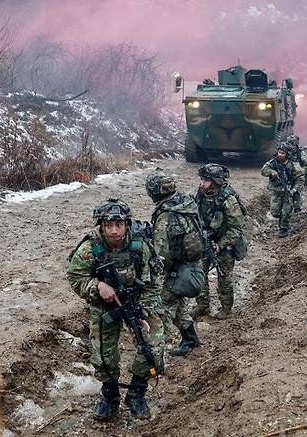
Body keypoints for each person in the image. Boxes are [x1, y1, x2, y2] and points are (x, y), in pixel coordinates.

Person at [67, 199, 165, 421]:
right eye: (109, 226)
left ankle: (136, 393)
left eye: (119, 225)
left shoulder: (140, 246)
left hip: (137, 303)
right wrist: (97, 286)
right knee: (102, 355)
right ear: (101, 225)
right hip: (103, 306)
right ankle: (110, 396)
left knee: (153, 348)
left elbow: (153, 282)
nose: (114, 231)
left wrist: (143, 312)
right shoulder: (90, 247)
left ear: (126, 224)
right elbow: (75, 277)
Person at [145, 169, 204, 356]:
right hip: (190, 264)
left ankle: (155, 357)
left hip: (177, 270)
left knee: (160, 311)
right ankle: (190, 339)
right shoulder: (185, 204)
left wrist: (152, 276)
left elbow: (162, 254)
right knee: (179, 306)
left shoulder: (165, 215)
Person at [192, 164, 246, 320]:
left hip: (225, 244)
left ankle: (226, 308)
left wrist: (220, 245)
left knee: (224, 277)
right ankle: (202, 305)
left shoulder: (228, 200)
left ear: (215, 181)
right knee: (199, 273)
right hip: (205, 239)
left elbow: (236, 229)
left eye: (206, 180)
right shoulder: (200, 193)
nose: (202, 183)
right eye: (201, 179)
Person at [260, 143, 305, 237]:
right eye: (279, 152)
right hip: (277, 191)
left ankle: (283, 228)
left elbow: (300, 179)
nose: (280, 155)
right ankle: (281, 222)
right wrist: (271, 172)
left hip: (288, 192)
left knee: (286, 212)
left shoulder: (293, 165)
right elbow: (263, 170)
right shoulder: (273, 162)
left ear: (287, 154)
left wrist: (294, 190)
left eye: (283, 153)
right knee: (275, 212)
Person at [285, 134, 307, 212]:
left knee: (296, 191)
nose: (290, 146)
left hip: (298, 175)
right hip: (287, 173)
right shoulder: (284, 151)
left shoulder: (300, 153)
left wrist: (301, 172)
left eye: (291, 144)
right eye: (288, 143)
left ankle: (297, 207)